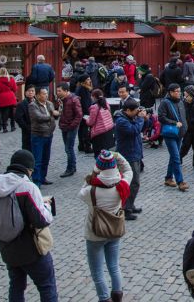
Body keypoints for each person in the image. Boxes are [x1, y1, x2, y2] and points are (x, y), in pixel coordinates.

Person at [0, 150, 57, 302]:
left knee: (16, 286)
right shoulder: (27, 188)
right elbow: (41, 220)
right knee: (46, 285)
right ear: (29, 169)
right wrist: (46, 206)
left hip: (7, 249)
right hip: (31, 249)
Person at [79, 150, 132, 302]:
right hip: (114, 232)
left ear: (99, 168)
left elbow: (81, 192)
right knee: (114, 267)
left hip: (95, 234)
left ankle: (104, 298)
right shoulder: (122, 184)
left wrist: (94, 173)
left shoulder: (91, 190)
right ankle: (117, 297)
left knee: (97, 272)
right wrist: (117, 156)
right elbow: (128, 169)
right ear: (114, 166)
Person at [114, 99, 146, 220]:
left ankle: (130, 205)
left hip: (135, 152)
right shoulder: (121, 121)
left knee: (135, 183)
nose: (137, 112)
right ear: (128, 110)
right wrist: (141, 119)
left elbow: (141, 129)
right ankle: (126, 209)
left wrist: (145, 119)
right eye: (135, 111)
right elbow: (134, 131)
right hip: (128, 155)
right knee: (132, 183)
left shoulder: (131, 117)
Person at [158, 83, 189, 191]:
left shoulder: (180, 102)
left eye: (179, 91)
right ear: (170, 92)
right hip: (170, 133)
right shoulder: (165, 103)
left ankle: (168, 178)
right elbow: (161, 117)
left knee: (173, 156)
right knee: (176, 157)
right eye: (176, 91)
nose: (178, 93)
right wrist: (174, 123)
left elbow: (183, 117)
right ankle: (180, 181)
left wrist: (184, 128)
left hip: (179, 133)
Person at [29, 88, 59, 186]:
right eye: (43, 94)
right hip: (38, 135)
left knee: (46, 158)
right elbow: (38, 117)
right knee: (37, 159)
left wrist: (56, 114)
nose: (46, 95)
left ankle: (43, 177)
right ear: (37, 95)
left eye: (46, 93)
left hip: (49, 134)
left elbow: (55, 116)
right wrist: (51, 115)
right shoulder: (33, 105)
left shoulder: (50, 104)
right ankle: (36, 181)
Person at [56, 82, 83, 178]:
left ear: (66, 91)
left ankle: (70, 168)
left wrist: (72, 126)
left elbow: (79, 115)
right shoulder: (62, 100)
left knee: (68, 148)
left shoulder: (73, 100)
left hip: (70, 127)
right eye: (57, 91)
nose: (57, 93)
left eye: (59, 91)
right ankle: (73, 166)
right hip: (64, 126)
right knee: (68, 148)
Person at [87, 88, 115, 153]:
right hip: (108, 131)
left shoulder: (94, 107)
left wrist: (87, 120)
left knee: (98, 154)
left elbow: (91, 122)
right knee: (106, 153)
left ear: (94, 97)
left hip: (99, 133)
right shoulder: (106, 104)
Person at [76, 75, 95, 154]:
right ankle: (87, 147)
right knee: (85, 130)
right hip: (85, 112)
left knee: (81, 129)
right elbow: (86, 103)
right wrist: (89, 112)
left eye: (89, 78)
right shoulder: (83, 89)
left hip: (81, 112)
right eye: (87, 79)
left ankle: (81, 146)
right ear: (83, 81)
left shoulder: (80, 88)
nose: (90, 80)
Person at [15, 85, 35, 152]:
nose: (31, 92)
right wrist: (26, 127)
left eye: (32, 91)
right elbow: (18, 118)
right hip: (27, 130)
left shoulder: (37, 102)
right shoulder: (22, 104)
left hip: (37, 129)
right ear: (25, 92)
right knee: (27, 147)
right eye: (29, 91)